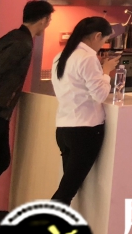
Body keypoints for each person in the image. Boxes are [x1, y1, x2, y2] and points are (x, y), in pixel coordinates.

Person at [0, 0, 54, 225]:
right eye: (48, 20)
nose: (47, 25)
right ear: (43, 20)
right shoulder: (21, 43)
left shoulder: (17, 38)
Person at [50, 16, 120, 205]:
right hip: (86, 131)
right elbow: (100, 95)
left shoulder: (61, 56)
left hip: (63, 129)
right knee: (65, 193)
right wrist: (106, 72)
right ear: (97, 36)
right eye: (105, 40)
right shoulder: (87, 58)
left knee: (67, 188)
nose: (103, 45)